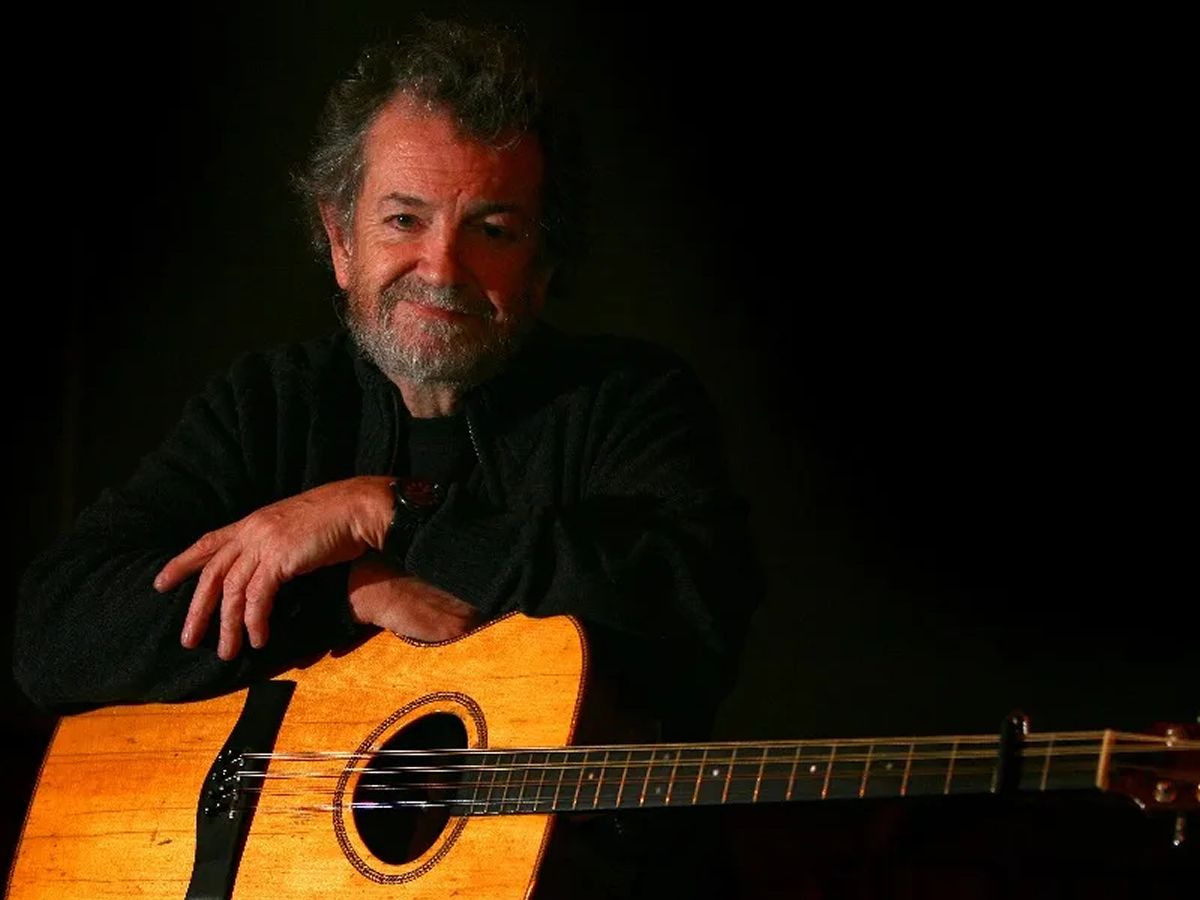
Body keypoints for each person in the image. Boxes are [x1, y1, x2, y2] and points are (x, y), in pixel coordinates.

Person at [14, 16, 761, 898]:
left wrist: (390, 512)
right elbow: (56, 633)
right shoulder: (265, 407)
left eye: (493, 229)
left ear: (543, 266)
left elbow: (688, 629)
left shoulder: (629, 403)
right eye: (404, 220)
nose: (441, 268)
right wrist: (344, 592)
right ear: (341, 241)